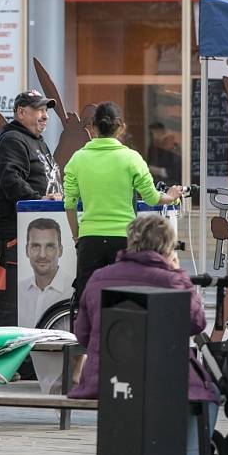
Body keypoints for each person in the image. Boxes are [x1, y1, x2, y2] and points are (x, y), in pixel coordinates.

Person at [67, 214, 223, 455]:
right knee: (209, 393)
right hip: (162, 379)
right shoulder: (172, 280)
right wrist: (180, 276)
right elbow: (197, 323)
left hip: (109, 378)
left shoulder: (100, 277)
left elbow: (82, 334)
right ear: (167, 247)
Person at [63, 102, 184, 304]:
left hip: (89, 240)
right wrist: (171, 195)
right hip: (123, 239)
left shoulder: (78, 159)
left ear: (92, 127)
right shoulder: (131, 158)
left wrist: (77, 235)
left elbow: (69, 204)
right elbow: (153, 198)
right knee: (124, 303)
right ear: (121, 127)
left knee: (87, 301)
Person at [0, 89, 59, 380]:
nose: (44, 116)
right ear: (21, 112)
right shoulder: (13, 140)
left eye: (46, 110)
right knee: (8, 303)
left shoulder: (36, 142)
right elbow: (10, 180)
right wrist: (39, 203)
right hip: (12, 235)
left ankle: (22, 363)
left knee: (28, 302)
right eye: (39, 110)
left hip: (32, 233)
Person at [18, 218, 77, 395]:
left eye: (50, 246)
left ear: (60, 250)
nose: (42, 254)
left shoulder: (73, 290)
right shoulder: (19, 289)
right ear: (26, 250)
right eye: (35, 246)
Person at [146, 121, 181, 186]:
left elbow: (175, 172)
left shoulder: (172, 148)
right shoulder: (152, 148)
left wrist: (158, 171)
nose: (155, 136)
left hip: (171, 183)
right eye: (152, 134)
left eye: (157, 133)